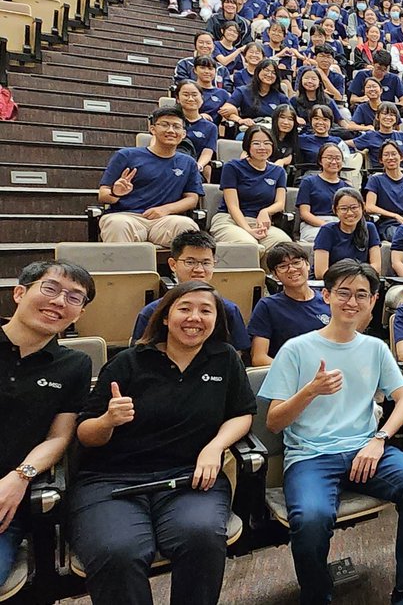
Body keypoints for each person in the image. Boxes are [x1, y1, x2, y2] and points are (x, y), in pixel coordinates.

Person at [259, 261, 403, 605]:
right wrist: (309, 391)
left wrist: (379, 438)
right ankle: (317, 596)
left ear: (373, 301)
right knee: (311, 518)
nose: (351, 302)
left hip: (366, 449)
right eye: (343, 293)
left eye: (361, 295)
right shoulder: (296, 348)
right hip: (310, 456)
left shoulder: (375, 348)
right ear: (326, 296)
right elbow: (274, 422)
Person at [72, 281, 255, 605]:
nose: (194, 317)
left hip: (188, 477)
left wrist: (214, 447)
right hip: (112, 480)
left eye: (205, 310)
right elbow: (85, 433)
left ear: (216, 320)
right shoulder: (128, 362)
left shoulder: (224, 358)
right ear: (166, 317)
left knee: (200, 537)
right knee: (118, 551)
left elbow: (242, 413)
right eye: (185, 308)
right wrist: (108, 421)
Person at [0, 262, 94, 587]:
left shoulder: (75, 365)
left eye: (73, 297)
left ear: (79, 314)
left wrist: (19, 477)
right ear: (19, 292)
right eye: (51, 288)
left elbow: (59, 437)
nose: (58, 302)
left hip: (5, 501)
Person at [97, 106, 203, 246]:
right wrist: (115, 193)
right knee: (117, 225)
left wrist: (165, 209)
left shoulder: (188, 163)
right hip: (126, 216)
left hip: (164, 219)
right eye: (164, 125)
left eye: (176, 126)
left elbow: (192, 199)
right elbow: (102, 195)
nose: (171, 130)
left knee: (186, 226)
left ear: (183, 134)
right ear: (153, 129)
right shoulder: (126, 155)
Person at [131, 230, 251, 351]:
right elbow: (138, 357)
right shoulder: (152, 312)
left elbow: (238, 356)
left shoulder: (229, 310)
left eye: (206, 263)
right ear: (173, 264)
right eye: (190, 262)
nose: (199, 269)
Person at [248, 244, 331, 367]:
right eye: (282, 266)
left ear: (307, 264)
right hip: (288, 375)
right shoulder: (267, 306)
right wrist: (297, 369)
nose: (291, 269)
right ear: (275, 275)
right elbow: (259, 358)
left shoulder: (328, 301)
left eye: (297, 262)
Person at [210, 125, 290, 253]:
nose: (262, 147)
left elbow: (280, 204)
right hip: (230, 219)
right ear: (247, 145)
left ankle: (268, 274)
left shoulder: (278, 171)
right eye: (256, 143)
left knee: (283, 248)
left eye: (267, 143)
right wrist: (247, 229)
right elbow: (233, 206)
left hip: (260, 222)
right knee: (251, 247)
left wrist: (265, 212)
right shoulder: (232, 167)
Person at [313, 189, 382, 279]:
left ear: (363, 206)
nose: (349, 213)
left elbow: (376, 266)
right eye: (344, 209)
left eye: (354, 207)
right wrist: (350, 279)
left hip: (361, 281)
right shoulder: (327, 230)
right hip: (332, 282)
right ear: (335, 210)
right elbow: (320, 272)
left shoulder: (370, 228)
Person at [364, 142, 403, 242]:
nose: (390, 157)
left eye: (394, 154)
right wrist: (395, 216)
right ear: (381, 160)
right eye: (386, 155)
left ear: (401, 157)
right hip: (389, 223)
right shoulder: (375, 180)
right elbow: (369, 207)